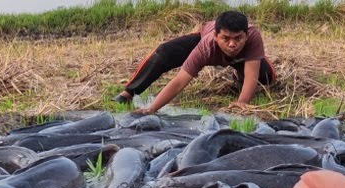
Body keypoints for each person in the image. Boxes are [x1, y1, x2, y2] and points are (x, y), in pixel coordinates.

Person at [115, 10, 276, 115]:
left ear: (245, 36)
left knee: (267, 76)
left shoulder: (253, 37)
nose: (232, 44)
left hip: (243, 59)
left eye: (238, 38)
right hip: (202, 37)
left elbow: (251, 75)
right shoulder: (205, 46)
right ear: (216, 36)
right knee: (164, 52)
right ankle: (128, 92)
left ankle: (236, 73)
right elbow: (179, 81)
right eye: (226, 38)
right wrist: (152, 109)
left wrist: (242, 103)